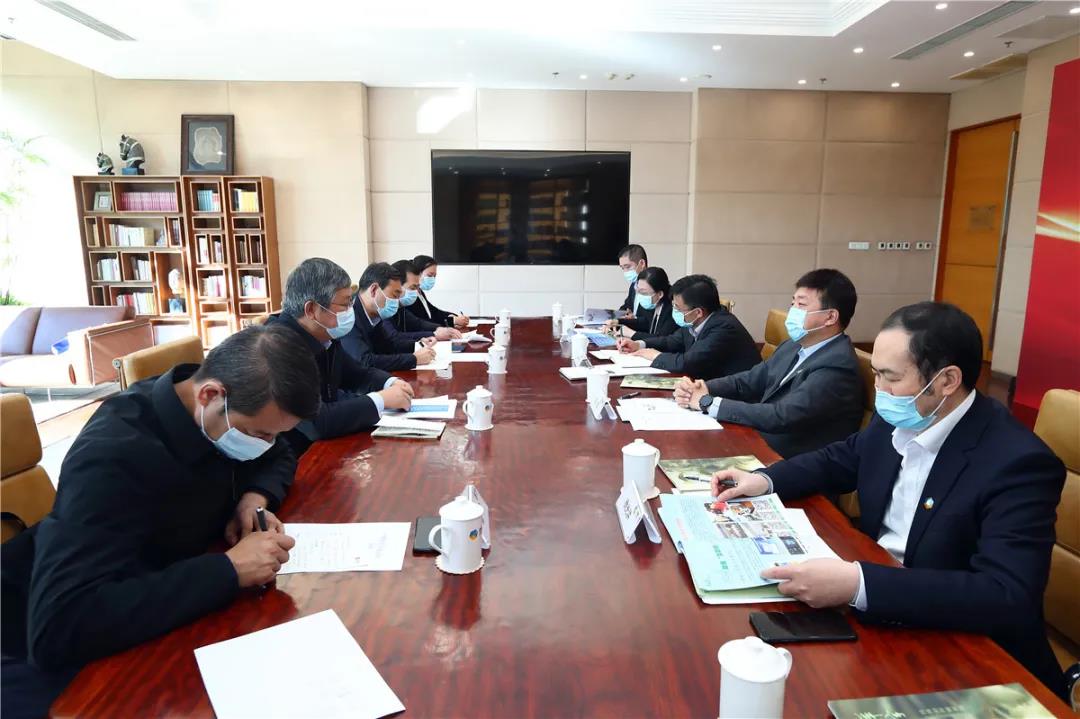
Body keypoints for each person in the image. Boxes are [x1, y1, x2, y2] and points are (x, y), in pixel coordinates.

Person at [708, 302, 1067, 700]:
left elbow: (1004, 594)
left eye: (890, 377)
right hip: (882, 612)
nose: (878, 390)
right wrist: (765, 479)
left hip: (969, 654)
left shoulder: (1017, 462)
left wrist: (859, 585)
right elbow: (840, 458)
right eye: (876, 373)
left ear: (947, 380)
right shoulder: (905, 413)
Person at [0, 325, 321, 719]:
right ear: (210, 395)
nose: (265, 444)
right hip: (40, 643)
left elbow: (278, 454)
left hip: (161, 592)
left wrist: (253, 497)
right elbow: (59, 626)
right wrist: (228, 570)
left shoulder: (217, 416)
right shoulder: (112, 458)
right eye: (260, 434)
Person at [674, 269, 864, 458]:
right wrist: (704, 387)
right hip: (760, 440)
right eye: (793, 304)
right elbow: (750, 380)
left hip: (790, 459)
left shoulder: (838, 366)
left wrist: (708, 402)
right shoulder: (793, 345)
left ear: (830, 317)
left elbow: (782, 415)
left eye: (801, 305)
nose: (793, 311)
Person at [264, 257, 415, 455]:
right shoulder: (278, 346)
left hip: (326, 446)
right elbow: (316, 421)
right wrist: (380, 400)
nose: (350, 311)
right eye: (345, 304)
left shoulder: (324, 335)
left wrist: (390, 382)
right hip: (296, 456)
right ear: (311, 310)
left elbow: (357, 373)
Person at [615, 274, 759, 381]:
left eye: (677, 308)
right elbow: (671, 341)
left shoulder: (724, 327)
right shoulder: (694, 321)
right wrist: (639, 345)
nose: (674, 311)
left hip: (736, 396)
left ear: (698, 312)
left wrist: (655, 355)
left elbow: (688, 362)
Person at [340, 262, 447, 371]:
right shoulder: (348, 316)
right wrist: (414, 359)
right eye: (394, 295)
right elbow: (365, 361)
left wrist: (417, 345)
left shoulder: (375, 313)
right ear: (374, 290)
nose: (397, 301)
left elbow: (389, 345)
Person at [391, 259, 463, 339]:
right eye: (413, 287)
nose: (416, 291)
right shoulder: (386, 309)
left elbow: (419, 323)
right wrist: (434, 334)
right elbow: (394, 338)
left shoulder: (400, 308)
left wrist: (439, 328)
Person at [610, 266, 676, 340]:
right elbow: (645, 322)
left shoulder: (673, 308)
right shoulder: (652, 302)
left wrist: (631, 333)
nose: (640, 296)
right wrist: (618, 322)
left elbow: (663, 339)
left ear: (660, 294)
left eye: (643, 293)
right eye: (638, 291)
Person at [410, 255, 469, 330]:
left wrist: (454, 317)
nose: (432, 279)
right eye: (430, 275)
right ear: (417, 273)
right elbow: (423, 321)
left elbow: (434, 312)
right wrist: (453, 321)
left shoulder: (420, 292)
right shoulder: (410, 296)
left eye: (434, 276)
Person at [616, 244, 648, 317]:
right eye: (622, 268)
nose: (625, 272)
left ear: (642, 263)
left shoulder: (654, 287)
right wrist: (614, 315)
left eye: (628, 267)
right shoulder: (633, 285)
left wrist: (634, 319)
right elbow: (627, 306)